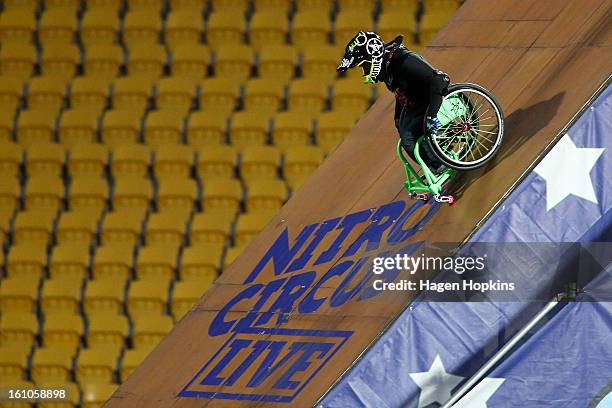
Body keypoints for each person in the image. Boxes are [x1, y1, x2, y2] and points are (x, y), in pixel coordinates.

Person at [337, 31, 450, 173]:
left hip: (432, 98)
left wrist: (432, 116)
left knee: (408, 137)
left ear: (373, 57)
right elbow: (401, 92)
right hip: (418, 102)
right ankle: (436, 166)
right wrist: (398, 118)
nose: (365, 71)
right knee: (405, 137)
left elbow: (437, 79)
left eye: (364, 66)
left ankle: (439, 165)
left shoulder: (404, 60)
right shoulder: (387, 67)